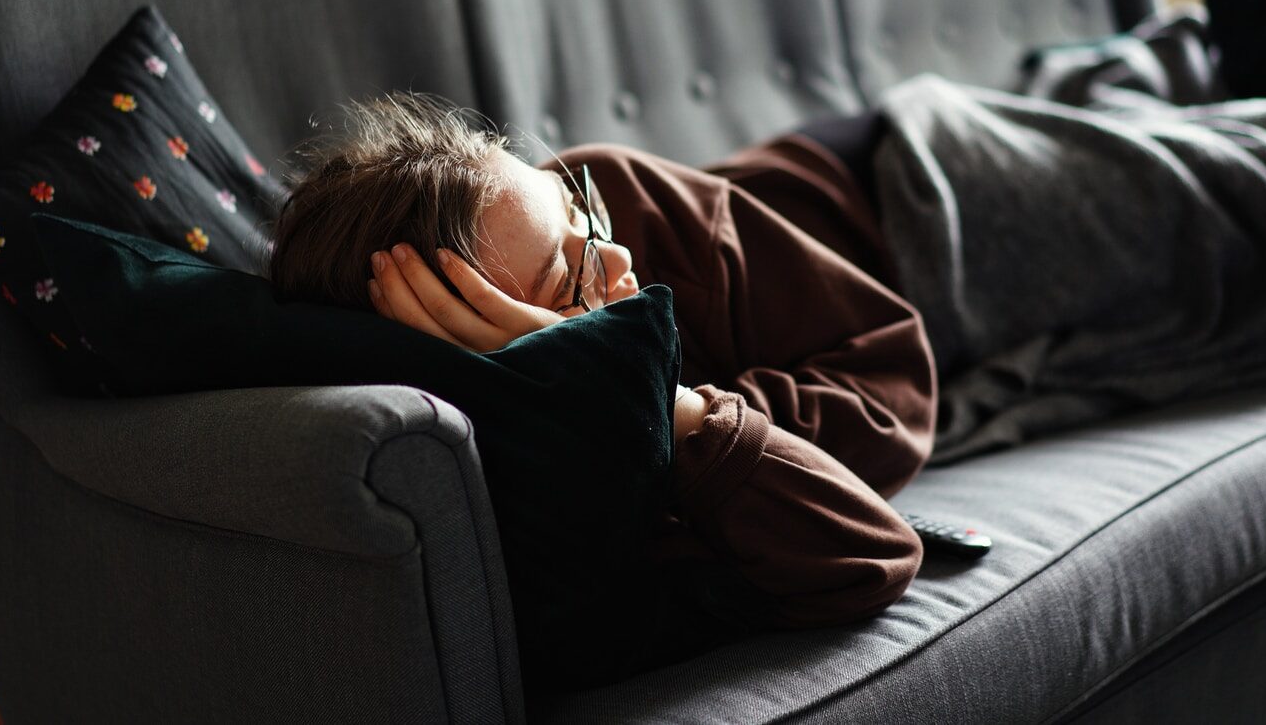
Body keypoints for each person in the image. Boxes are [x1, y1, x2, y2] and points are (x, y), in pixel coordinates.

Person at [267, 91, 935, 662]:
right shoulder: (558, 481)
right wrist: (648, 398)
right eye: (565, 280)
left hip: (900, 175)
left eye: (575, 211)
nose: (616, 257)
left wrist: (695, 418)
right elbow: (871, 553)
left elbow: (893, 386)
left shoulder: (620, 193)